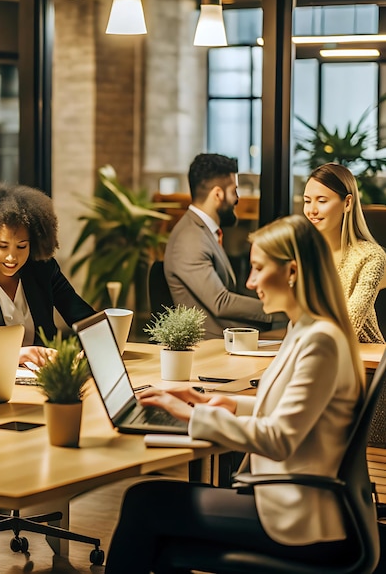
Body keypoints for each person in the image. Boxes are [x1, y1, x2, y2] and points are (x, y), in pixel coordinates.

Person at [105, 214, 363, 573]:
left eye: (258, 268)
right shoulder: (305, 329)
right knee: (158, 530)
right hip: (292, 501)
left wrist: (190, 415)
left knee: (144, 501)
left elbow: (280, 438)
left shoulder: (320, 340)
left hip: (300, 519)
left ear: (291, 271)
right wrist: (222, 401)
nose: (250, 281)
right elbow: (289, 411)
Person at [0, 181, 95, 366]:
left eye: (21, 246)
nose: (11, 257)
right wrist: (18, 354)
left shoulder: (43, 270)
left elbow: (86, 320)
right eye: (2, 246)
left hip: (47, 379)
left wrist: (86, 350)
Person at [163, 153, 275, 339]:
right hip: (212, 346)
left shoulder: (205, 232)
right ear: (218, 194)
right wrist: (282, 309)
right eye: (234, 191)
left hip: (232, 336)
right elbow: (221, 302)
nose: (237, 198)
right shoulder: (190, 239)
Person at [304, 161, 386, 343]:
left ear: (347, 203)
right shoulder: (307, 254)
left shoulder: (370, 256)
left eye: (322, 201)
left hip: (366, 362)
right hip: (317, 353)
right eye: (307, 201)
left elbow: (349, 324)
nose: (312, 210)